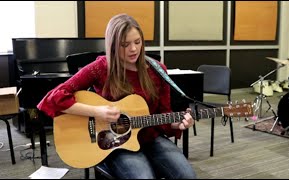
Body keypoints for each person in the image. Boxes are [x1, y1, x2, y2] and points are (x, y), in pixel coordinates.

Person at [37, 13, 197, 179]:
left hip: (150, 138)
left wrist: (176, 124)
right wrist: (96, 112)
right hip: (112, 143)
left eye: (137, 42)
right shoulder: (101, 67)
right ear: (112, 45)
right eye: (125, 44)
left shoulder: (158, 70)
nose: (133, 49)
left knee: (188, 176)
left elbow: (164, 114)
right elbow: (53, 98)